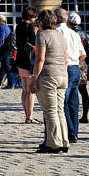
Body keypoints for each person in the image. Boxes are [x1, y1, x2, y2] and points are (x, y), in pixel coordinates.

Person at [32, 10, 70, 153]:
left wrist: (34, 78)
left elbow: (40, 59)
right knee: (60, 110)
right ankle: (64, 141)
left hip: (48, 75)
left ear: (41, 22)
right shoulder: (60, 36)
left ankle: (53, 143)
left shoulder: (42, 36)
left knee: (50, 111)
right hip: (62, 75)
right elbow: (66, 59)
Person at [56, 12, 86, 142]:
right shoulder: (74, 34)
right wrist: (75, 61)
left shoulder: (57, 32)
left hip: (64, 67)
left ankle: (68, 131)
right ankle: (74, 132)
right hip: (75, 67)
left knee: (62, 102)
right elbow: (83, 54)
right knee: (73, 103)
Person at [13, 8, 39, 124]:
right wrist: (37, 32)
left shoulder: (18, 26)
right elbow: (35, 40)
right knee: (30, 91)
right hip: (29, 60)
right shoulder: (30, 26)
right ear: (31, 17)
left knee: (24, 90)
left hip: (20, 59)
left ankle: (27, 114)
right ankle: (29, 117)